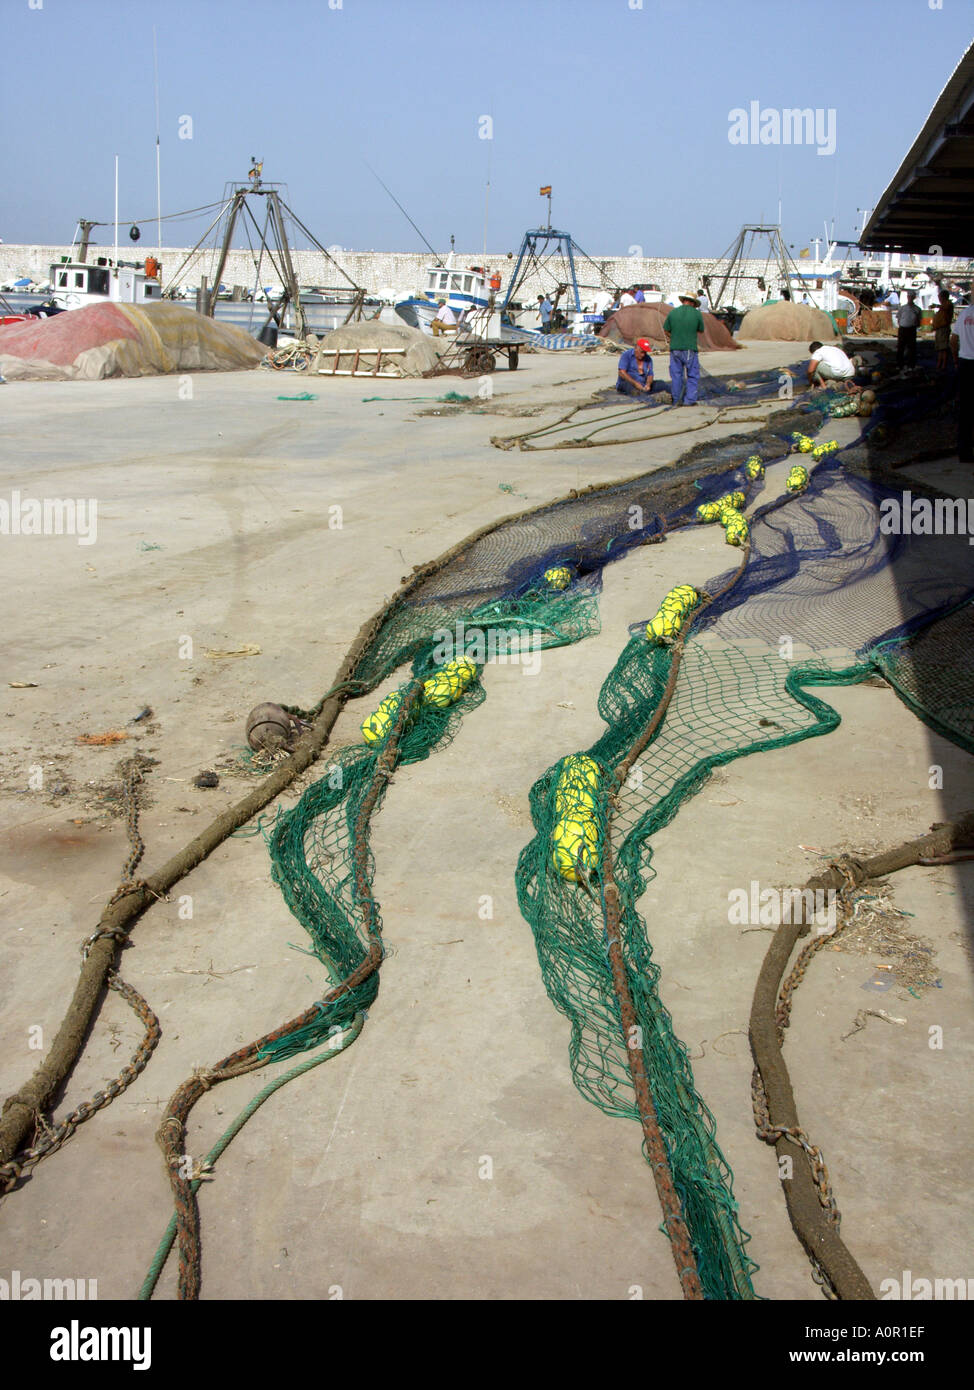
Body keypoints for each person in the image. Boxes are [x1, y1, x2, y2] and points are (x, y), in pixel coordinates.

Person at [663, 293, 705, 405]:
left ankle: (677, 399)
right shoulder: (696, 314)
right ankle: (689, 400)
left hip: (675, 349)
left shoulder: (673, 312)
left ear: (683, 301)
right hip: (690, 349)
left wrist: (674, 338)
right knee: (692, 375)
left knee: (676, 375)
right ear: (692, 303)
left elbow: (666, 329)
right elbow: (701, 329)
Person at [951, 300, 974, 462]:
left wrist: (956, 359)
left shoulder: (964, 314)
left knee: (965, 409)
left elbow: (953, 340)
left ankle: (964, 451)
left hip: (965, 363)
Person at [896, 290, 921, 370]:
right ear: (907, 297)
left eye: (911, 297)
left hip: (912, 329)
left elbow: (919, 320)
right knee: (901, 347)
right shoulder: (902, 308)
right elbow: (898, 318)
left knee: (912, 348)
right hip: (903, 329)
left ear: (914, 298)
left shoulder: (917, 309)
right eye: (909, 296)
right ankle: (900, 364)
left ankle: (911, 365)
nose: (910, 298)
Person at [933, 290, 954, 372]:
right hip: (939, 328)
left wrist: (936, 305)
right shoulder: (943, 306)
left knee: (944, 348)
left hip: (944, 328)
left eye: (940, 298)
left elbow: (945, 308)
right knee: (939, 348)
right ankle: (939, 363)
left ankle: (943, 365)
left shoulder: (948, 304)